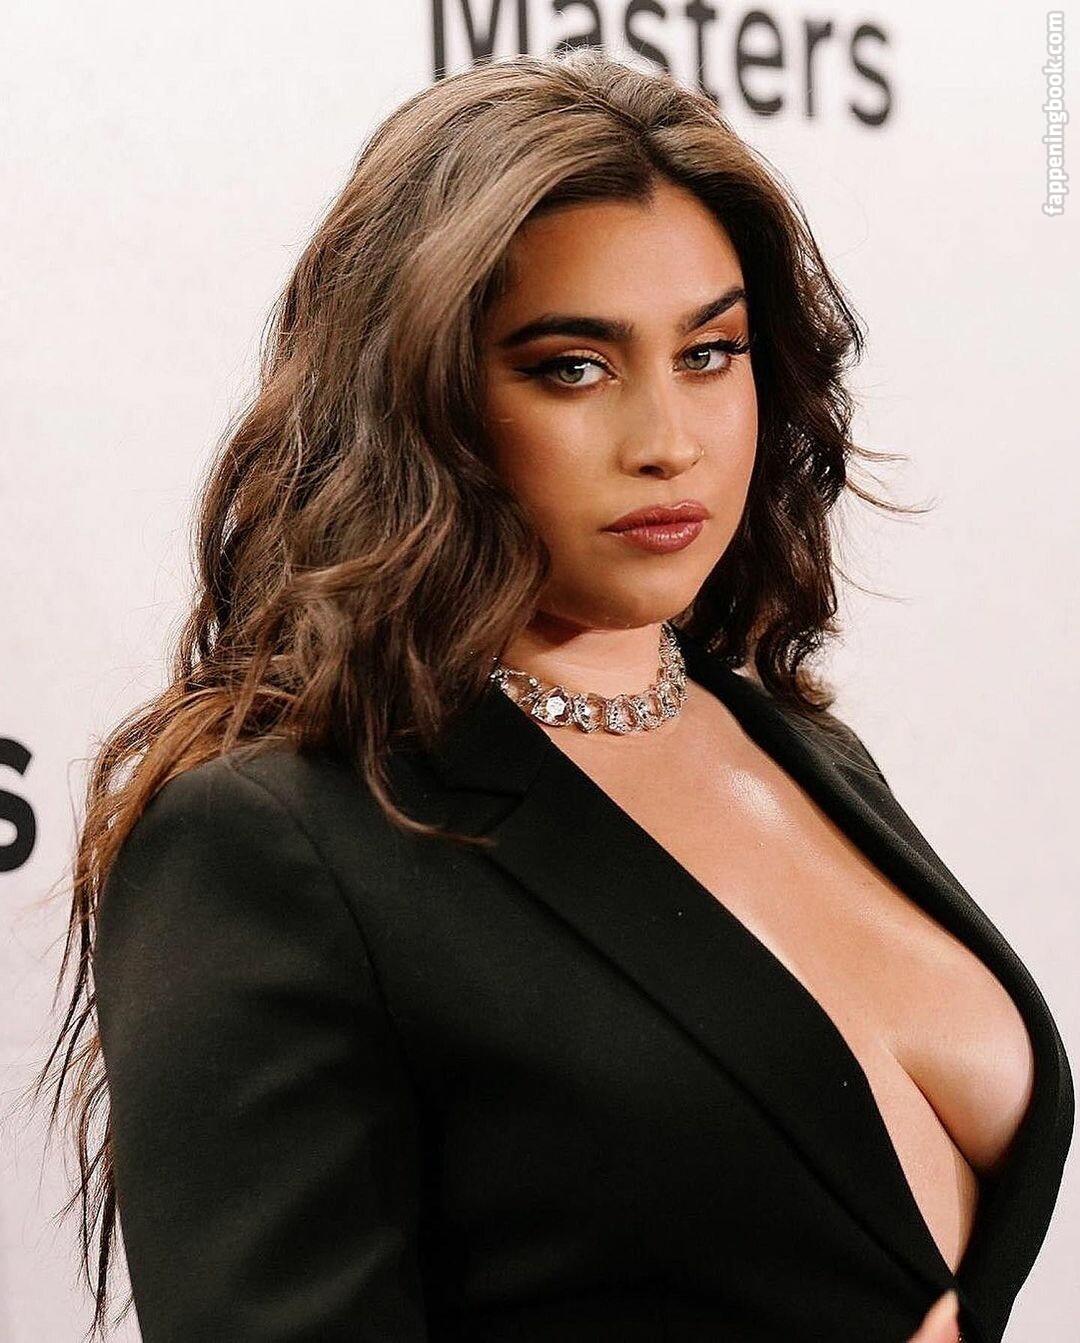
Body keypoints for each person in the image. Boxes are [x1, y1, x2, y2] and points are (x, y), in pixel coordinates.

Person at [33, 49, 1071, 1343]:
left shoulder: (804, 748)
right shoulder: (271, 844)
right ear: (422, 397)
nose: (669, 441)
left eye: (711, 352)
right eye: (574, 366)